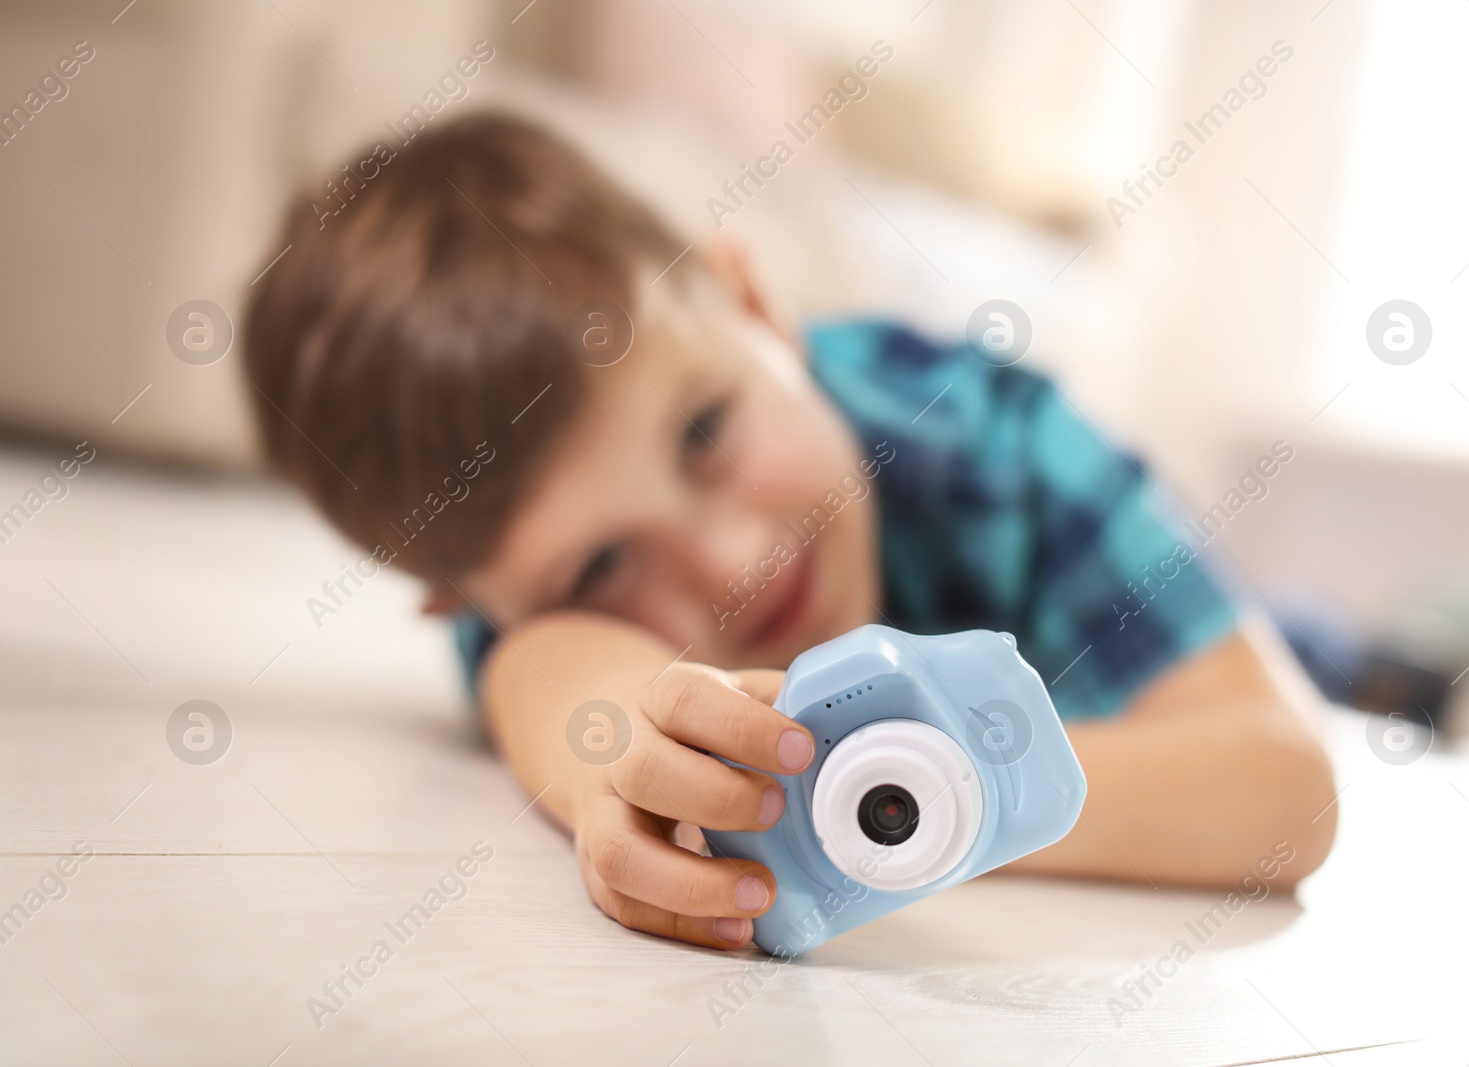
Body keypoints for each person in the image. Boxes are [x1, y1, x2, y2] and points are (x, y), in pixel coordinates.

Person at [245, 112, 1336, 952]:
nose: (727, 565)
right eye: (602, 563)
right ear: (470, 603)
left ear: (751, 299)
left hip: (1090, 627)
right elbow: (549, 676)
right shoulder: (540, 617)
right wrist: (614, 773)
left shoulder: (995, 444)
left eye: (706, 430)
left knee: (1319, 648)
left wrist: (921, 799)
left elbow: (1288, 789)